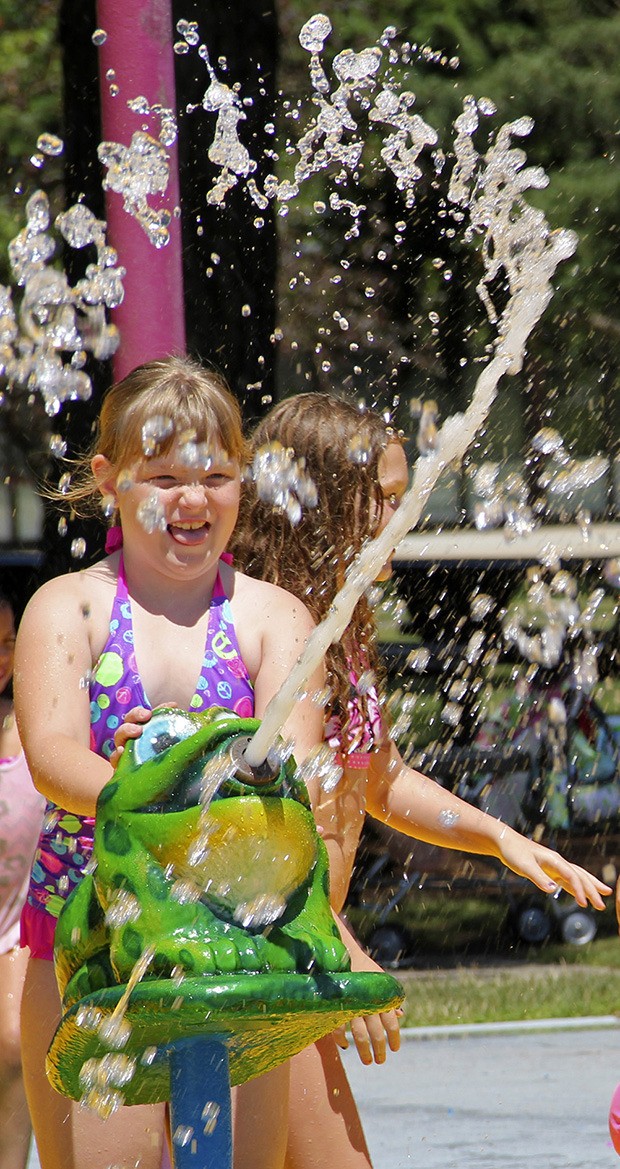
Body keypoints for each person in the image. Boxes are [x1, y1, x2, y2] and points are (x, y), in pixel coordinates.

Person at [228, 391, 612, 1169]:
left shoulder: (342, 627)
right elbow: (267, 829)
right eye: (387, 500)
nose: (404, 518)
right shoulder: (272, 631)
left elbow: (380, 780)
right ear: (325, 500)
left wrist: (502, 838)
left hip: (304, 949)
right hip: (266, 951)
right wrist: (345, 951)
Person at [13, 356, 327, 1169]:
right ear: (109, 477)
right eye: (163, 475)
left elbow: (300, 758)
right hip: (97, 943)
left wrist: (208, 768)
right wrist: (139, 782)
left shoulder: (269, 616)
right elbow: (51, 758)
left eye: (217, 474)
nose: (193, 498)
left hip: (238, 943)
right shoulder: (71, 605)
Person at [0, 590, 45, 1169]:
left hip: (15, 925)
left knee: (14, 1047)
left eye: (9, 643)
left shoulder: (29, 729)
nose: (2, 657)